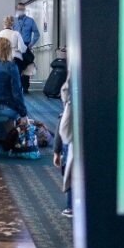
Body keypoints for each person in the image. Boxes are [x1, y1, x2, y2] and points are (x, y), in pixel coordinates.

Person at [53, 77, 73, 218]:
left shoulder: (70, 105)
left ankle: (71, 206)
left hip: (71, 141)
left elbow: (62, 129)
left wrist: (56, 151)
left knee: (71, 170)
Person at [13, 2, 40, 93]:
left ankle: (25, 87)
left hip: (26, 46)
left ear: (24, 10)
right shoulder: (14, 21)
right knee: (16, 67)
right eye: (19, 9)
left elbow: (37, 33)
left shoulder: (30, 21)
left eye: (22, 9)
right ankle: (17, 87)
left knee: (26, 68)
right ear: (16, 10)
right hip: (16, 48)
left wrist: (31, 44)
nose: (21, 11)